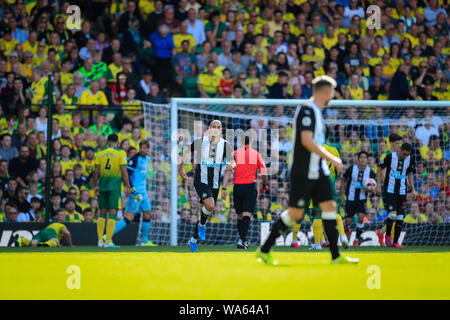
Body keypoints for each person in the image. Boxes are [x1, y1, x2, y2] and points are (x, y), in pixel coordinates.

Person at [256, 75, 358, 265]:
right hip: (303, 171)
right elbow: (306, 141)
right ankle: (264, 249)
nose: (333, 96)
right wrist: (333, 158)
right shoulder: (306, 110)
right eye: (333, 92)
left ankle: (336, 256)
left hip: (319, 171)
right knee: (295, 213)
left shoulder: (318, 112)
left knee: (330, 207)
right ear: (326, 92)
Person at [179, 120, 234, 252]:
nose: (216, 129)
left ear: (221, 130)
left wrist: (232, 165)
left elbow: (231, 164)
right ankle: (202, 226)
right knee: (210, 206)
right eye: (213, 126)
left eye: (218, 127)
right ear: (209, 128)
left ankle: (193, 239)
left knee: (205, 211)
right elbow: (186, 151)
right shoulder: (200, 141)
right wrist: (181, 169)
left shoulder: (226, 145)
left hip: (215, 183)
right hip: (201, 181)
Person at [111, 140, 157, 246]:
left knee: (147, 214)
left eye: (144, 148)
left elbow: (144, 176)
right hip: (135, 193)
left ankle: (144, 242)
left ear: (148, 149)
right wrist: (133, 191)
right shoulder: (134, 159)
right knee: (129, 217)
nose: (142, 150)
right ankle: (107, 236)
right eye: (141, 148)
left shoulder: (148, 159)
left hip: (144, 193)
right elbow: (127, 175)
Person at [376, 143, 417, 247]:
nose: (406, 156)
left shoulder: (410, 159)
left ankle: (395, 242)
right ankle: (387, 236)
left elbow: (410, 173)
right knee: (392, 214)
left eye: (408, 154)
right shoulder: (390, 157)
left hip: (402, 191)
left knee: (399, 217)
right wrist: (378, 185)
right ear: (400, 149)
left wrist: (413, 189)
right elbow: (380, 168)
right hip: (390, 189)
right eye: (404, 154)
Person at [94, 134, 131, 248]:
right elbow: (124, 171)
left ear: (108, 142)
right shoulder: (121, 153)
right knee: (113, 213)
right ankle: (108, 241)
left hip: (103, 186)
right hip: (114, 187)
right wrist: (128, 185)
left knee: (102, 213)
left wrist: (96, 185)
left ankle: (100, 241)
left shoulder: (100, 153)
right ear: (117, 142)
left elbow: (96, 171)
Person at [233, 133, 267, 249]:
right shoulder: (256, 154)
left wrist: (223, 187)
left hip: (237, 187)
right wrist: (264, 182)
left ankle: (242, 240)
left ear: (241, 142)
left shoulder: (235, 154)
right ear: (251, 142)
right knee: (247, 214)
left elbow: (228, 169)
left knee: (239, 215)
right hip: (249, 186)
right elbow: (264, 171)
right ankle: (242, 240)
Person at [341, 151, 377, 246]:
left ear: (367, 160)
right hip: (351, 198)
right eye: (361, 157)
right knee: (348, 220)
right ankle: (346, 228)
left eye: (364, 157)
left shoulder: (370, 172)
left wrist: (370, 189)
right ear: (358, 159)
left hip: (362, 199)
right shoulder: (352, 169)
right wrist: (342, 195)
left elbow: (374, 189)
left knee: (361, 217)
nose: (362, 159)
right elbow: (343, 179)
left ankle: (356, 239)